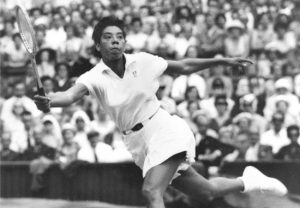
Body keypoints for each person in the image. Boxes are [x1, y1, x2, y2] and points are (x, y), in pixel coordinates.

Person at [34, 16, 287, 208]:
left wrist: (221, 61)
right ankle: (251, 181)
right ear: (98, 45)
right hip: (138, 144)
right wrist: (49, 102)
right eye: (108, 37)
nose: (115, 41)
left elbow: (185, 66)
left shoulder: (143, 61)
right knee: (205, 191)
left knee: (151, 191)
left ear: (125, 41)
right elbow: (68, 96)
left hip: (164, 129)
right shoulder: (93, 77)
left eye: (119, 37)